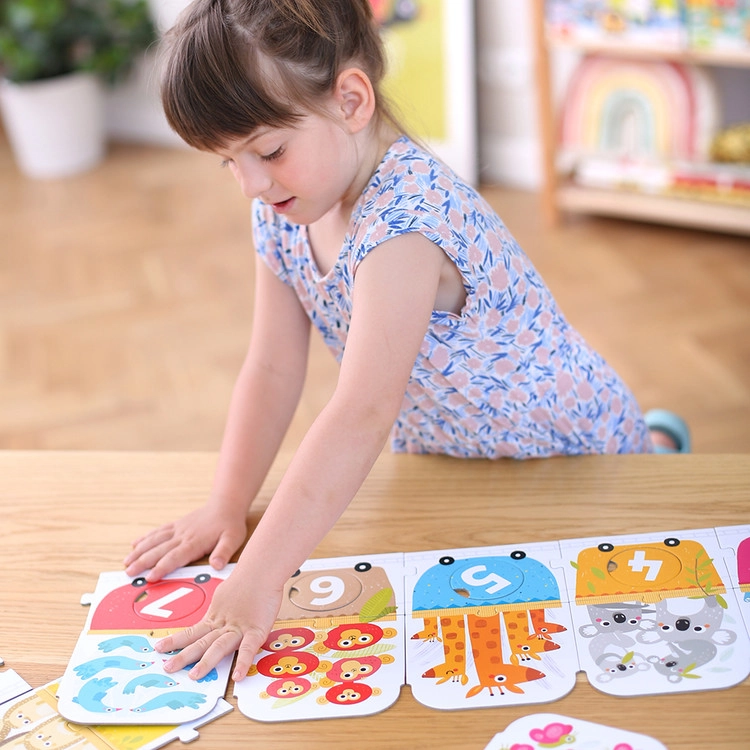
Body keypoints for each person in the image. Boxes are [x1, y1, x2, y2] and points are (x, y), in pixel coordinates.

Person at [123, 0, 685, 683]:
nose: (251, 183)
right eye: (228, 162)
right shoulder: (282, 208)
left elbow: (361, 412)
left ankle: (653, 442)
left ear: (351, 101)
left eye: (268, 151)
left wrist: (258, 581)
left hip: (566, 446)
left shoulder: (405, 221)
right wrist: (226, 502)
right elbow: (270, 367)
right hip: (451, 452)